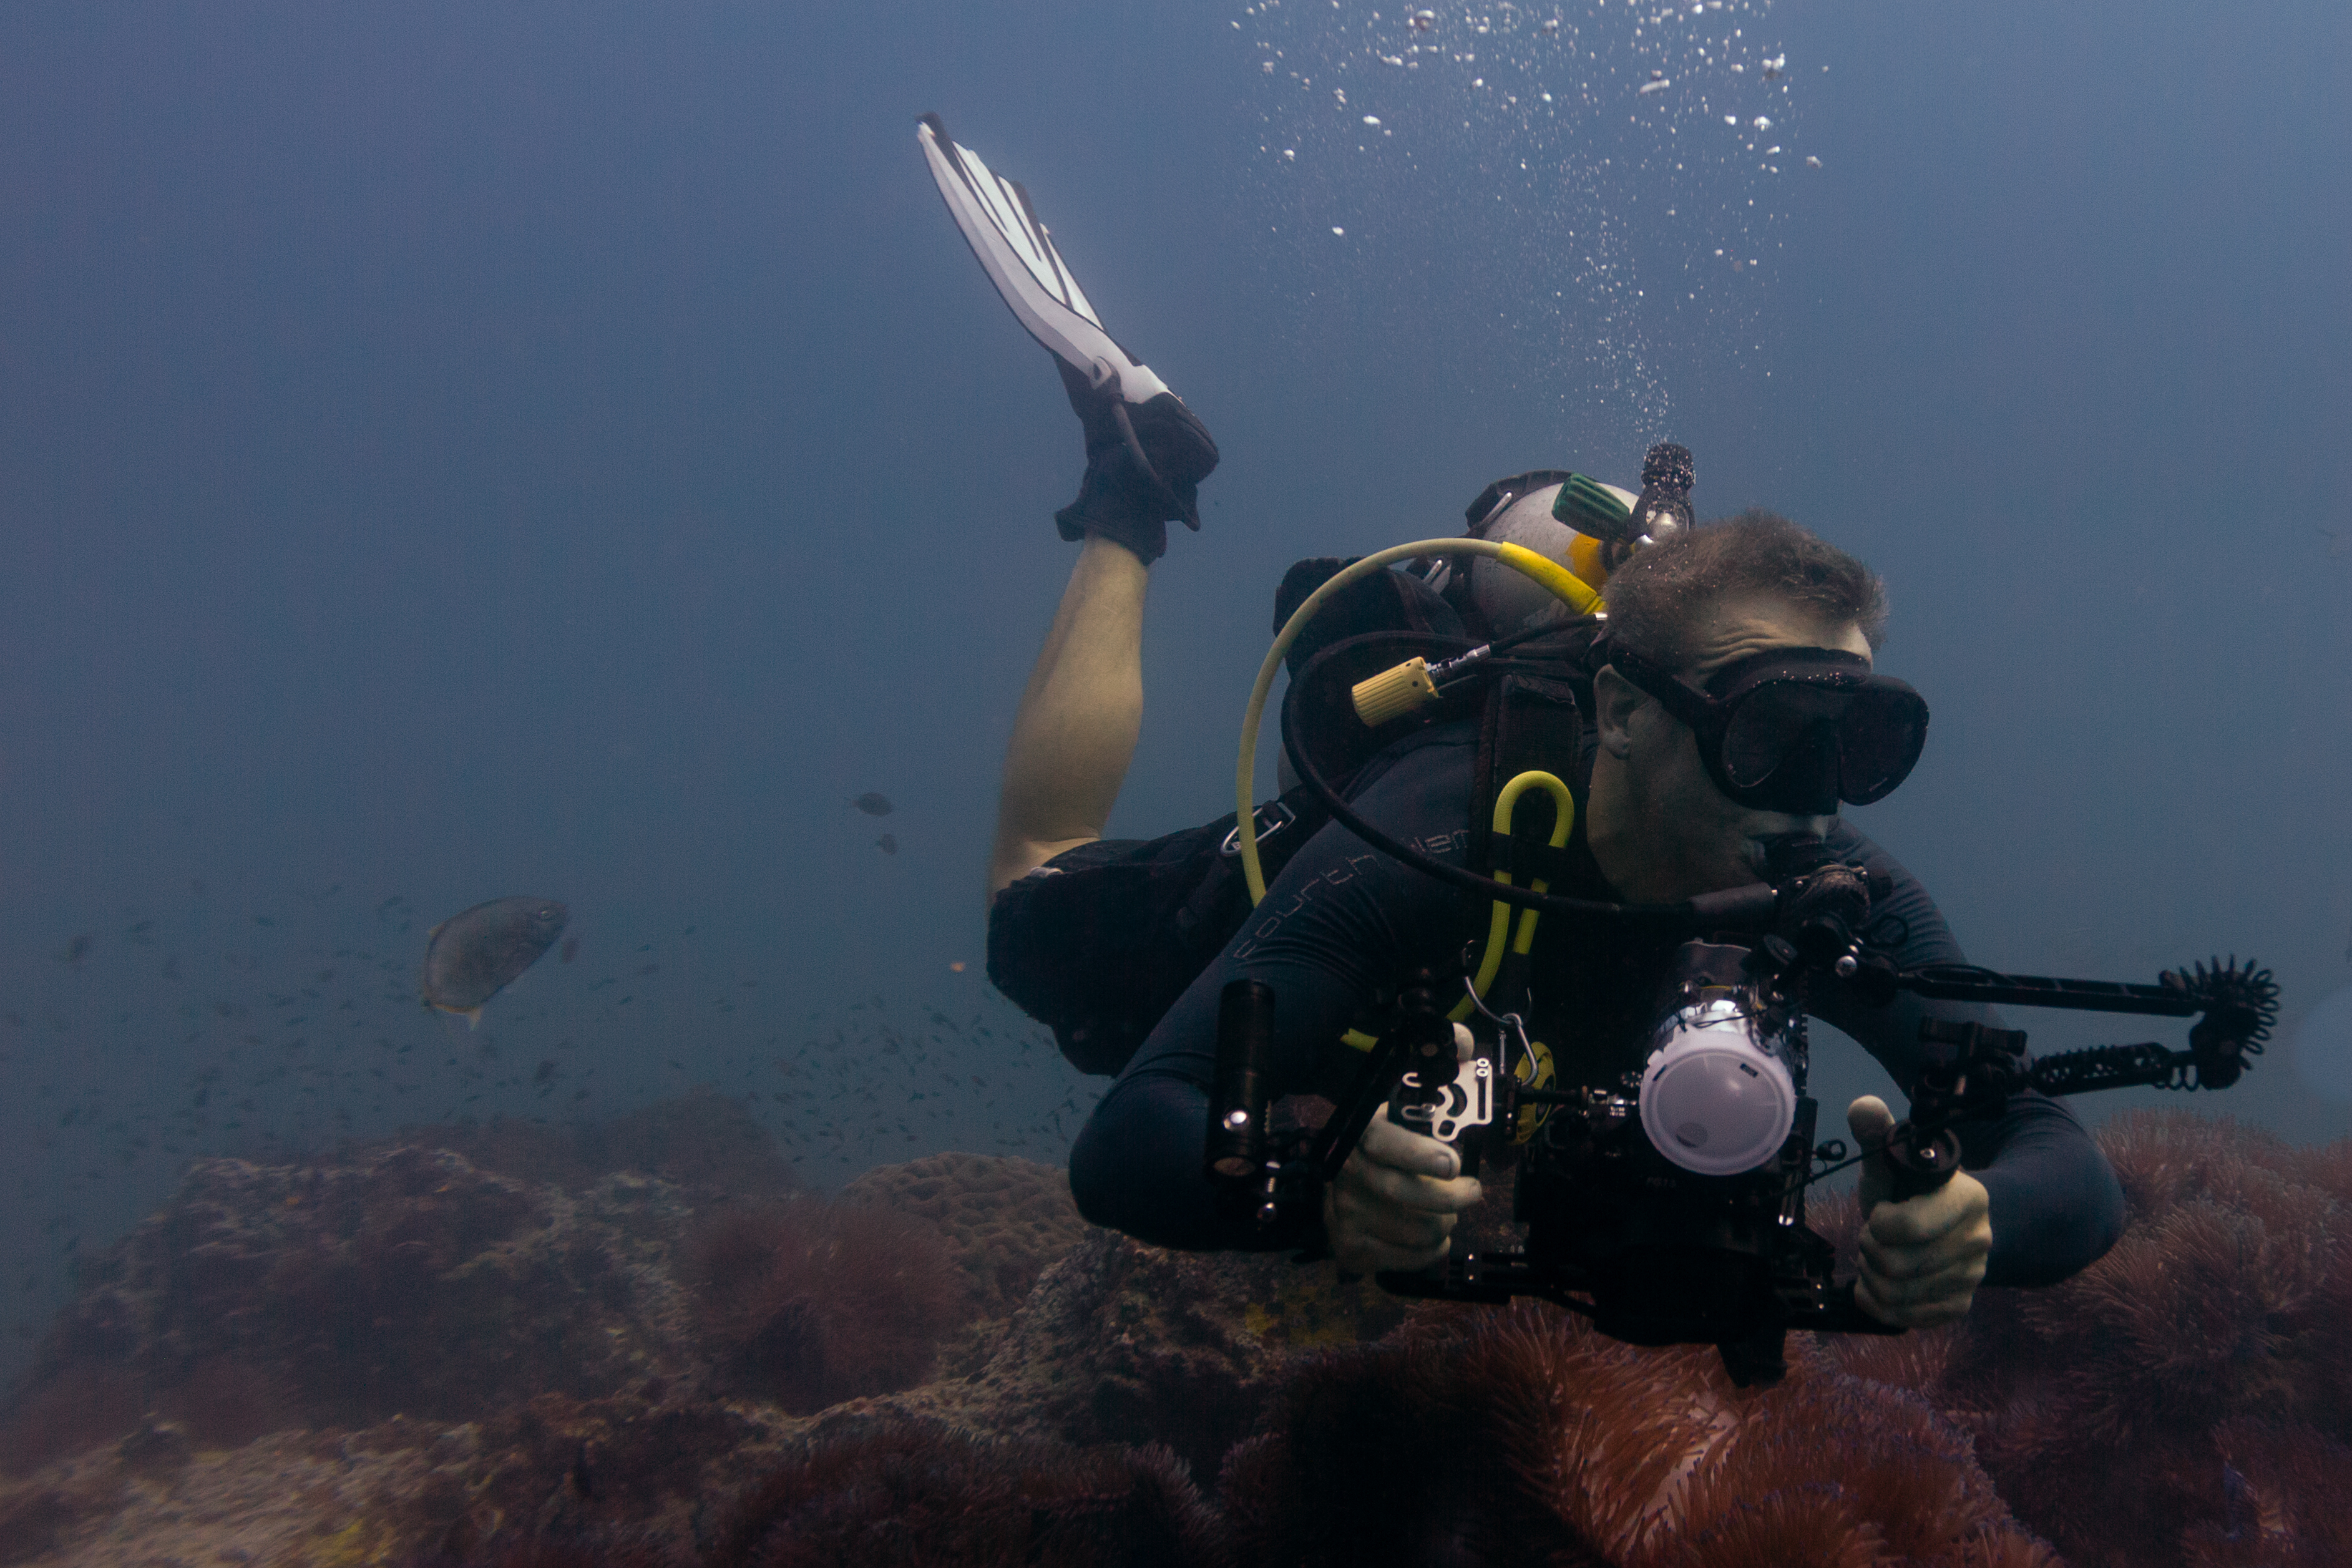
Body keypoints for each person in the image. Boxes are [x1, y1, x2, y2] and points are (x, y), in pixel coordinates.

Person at [983, 399, 2122, 1339]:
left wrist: (1975, 1221)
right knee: (1029, 902)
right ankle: (1131, 501)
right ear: (1620, 711)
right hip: (1361, 940)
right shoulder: (1438, 839)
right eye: (1768, 733)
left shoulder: (1826, 883)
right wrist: (1316, 1185)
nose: (1817, 799)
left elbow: (2059, 1157)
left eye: (1859, 744)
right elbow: (1127, 1138)